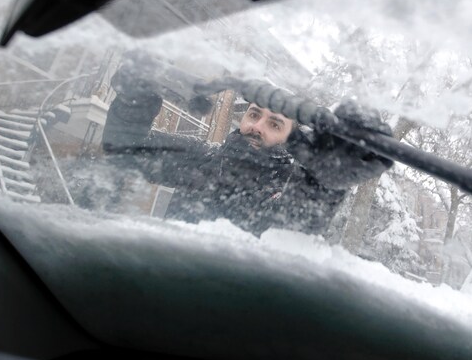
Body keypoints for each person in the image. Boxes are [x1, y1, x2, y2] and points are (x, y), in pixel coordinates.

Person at [102, 62, 392, 236]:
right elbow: (123, 146)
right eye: (254, 115)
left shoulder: (290, 186)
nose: (257, 126)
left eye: (275, 124)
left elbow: (296, 225)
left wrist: (328, 181)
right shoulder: (200, 159)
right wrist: (133, 99)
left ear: (292, 139)